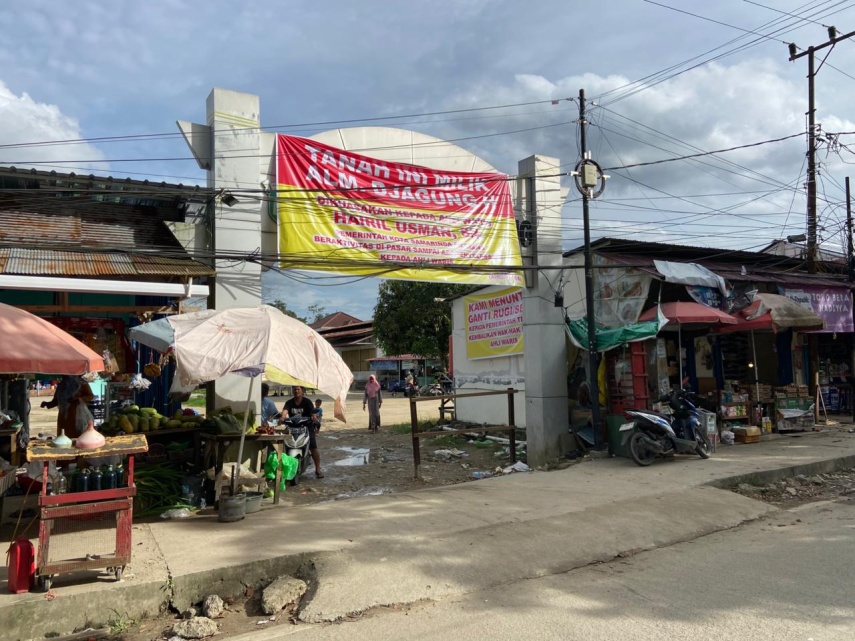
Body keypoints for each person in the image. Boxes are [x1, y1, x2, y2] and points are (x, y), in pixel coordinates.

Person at [283, 385, 323, 478]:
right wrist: (282, 417)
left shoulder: (307, 402)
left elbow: (313, 412)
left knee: (313, 447)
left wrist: (314, 417)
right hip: (292, 428)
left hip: (306, 427)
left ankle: (318, 469)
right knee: (283, 444)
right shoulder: (289, 402)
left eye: (298, 389)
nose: (296, 391)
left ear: (302, 391)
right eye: (295, 389)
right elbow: (285, 411)